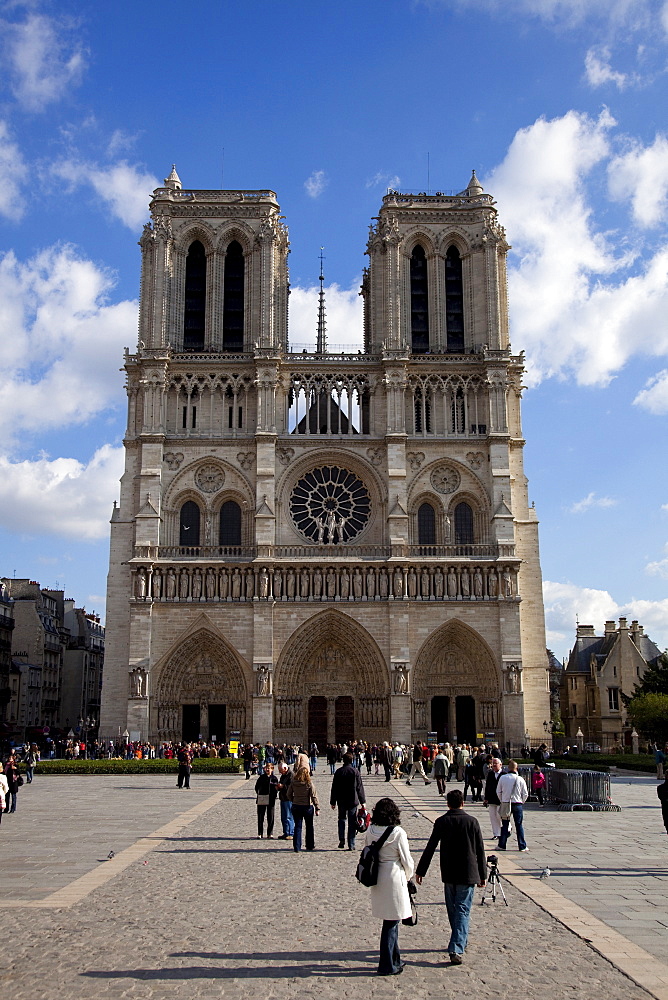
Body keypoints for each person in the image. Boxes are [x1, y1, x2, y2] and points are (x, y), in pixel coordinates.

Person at [415, 788, 486, 965]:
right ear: (463, 803)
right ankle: (458, 942)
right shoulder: (472, 822)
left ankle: (457, 944)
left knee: (455, 909)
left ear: (448, 803)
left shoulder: (442, 821)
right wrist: (482, 874)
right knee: (460, 909)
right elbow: (480, 850)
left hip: (448, 872)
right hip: (468, 872)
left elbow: (430, 847)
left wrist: (421, 870)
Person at [365, 797, 414, 977]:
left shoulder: (371, 830)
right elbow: (407, 860)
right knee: (391, 923)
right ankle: (387, 964)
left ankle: (395, 959)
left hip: (378, 877)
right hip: (394, 877)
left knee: (390, 920)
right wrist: (408, 876)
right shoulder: (398, 833)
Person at [330, 752, 366, 850]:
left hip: (341, 800)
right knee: (352, 822)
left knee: (341, 820)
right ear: (352, 760)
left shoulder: (338, 772)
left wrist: (332, 801)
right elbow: (359, 787)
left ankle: (341, 839)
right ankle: (351, 843)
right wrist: (363, 801)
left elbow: (334, 788)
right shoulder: (355, 771)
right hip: (352, 800)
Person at [497, 760, 528, 851]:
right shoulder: (520, 779)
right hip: (517, 803)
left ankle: (502, 845)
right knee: (519, 825)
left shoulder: (503, 778)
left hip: (506, 803)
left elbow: (498, 791)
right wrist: (521, 801)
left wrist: (502, 800)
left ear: (508, 768)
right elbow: (525, 794)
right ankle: (522, 845)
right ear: (516, 768)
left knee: (505, 825)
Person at [287, 765, 320, 851]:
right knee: (309, 826)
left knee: (298, 826)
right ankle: (310, 845)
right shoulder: (309, 783)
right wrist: (317, 807)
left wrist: (293, 800)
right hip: (307, 806)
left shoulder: (294, 782)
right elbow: (314, 796)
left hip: (296, 806)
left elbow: (288, 794)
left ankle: (297, 847)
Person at [254, 761, 279, 838]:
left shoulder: (274, 778)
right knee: (261, 816)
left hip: (271, 799)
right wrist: (259, 794)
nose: (268, 769)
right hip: (262, 798)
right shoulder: (261, 777)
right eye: (267, 768)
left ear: (272, 769)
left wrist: (274, 795)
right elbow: (256, 787)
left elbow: (276, 789)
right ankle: (260, 833)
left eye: (269, 768)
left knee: (270, 817)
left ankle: (270, 833)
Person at [483, 756, 504, 840]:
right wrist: (486, 798)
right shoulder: (491, 774)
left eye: (496, 764)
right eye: (493, 764)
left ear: (500, 765)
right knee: (493, 816)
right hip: (491, 798)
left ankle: (507, 828)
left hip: (500, 798)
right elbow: (487, 786)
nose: (494, 765)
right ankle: (496, 833)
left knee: (500, 815)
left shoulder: (504, 774)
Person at [276, 762, 294, 839]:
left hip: (288, 798)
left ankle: (291, 833)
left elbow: (292, 788)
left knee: (289, 816)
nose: (280, 772)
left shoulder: (291, 775)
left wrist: (282, 786)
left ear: (285, 768)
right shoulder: (284, 775)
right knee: (283, 817)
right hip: (283, 797)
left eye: (280, 770)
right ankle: (285, 832)